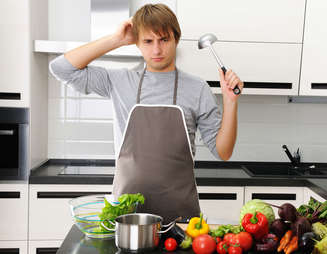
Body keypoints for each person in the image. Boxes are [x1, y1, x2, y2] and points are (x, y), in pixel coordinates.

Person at [49, 4, 244, 223]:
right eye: (148, 41)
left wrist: (230, 102)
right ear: (137, 43)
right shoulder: (120, 81)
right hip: (127, 217)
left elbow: (223, 152)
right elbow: (60, 68)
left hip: (181, 217)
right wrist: (116, 40)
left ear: (176, 39)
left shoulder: (197, 88)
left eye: (164, 40)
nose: (157, 50)